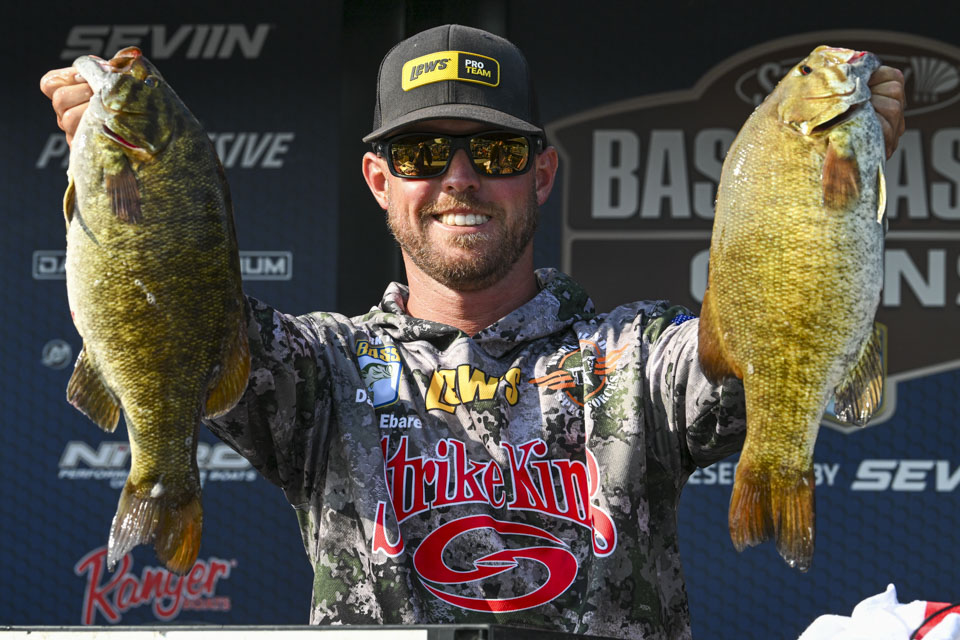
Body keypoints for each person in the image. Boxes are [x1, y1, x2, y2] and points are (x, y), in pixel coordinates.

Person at [41, 24, 906, 640]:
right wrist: (129, 175)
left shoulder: (640, 359)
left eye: (493, 154)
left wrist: (825, 177)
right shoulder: (316, 368)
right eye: (423, 155)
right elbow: (177, 309)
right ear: (378, 180)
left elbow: (779, 340)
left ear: (543, 175)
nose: (459, 179)